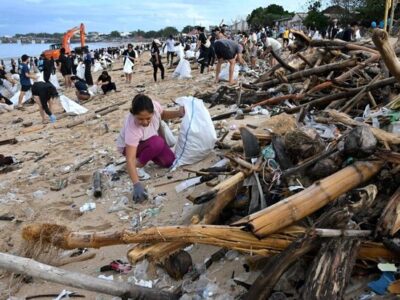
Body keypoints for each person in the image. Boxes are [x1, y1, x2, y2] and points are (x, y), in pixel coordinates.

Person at [116, 94, 185, 202]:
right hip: (130, 147)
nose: (144, 122)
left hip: (149, 140)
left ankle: (148, 154)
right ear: (133, 115)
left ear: (153, 113)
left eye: (148, 118)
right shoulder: (132, 128)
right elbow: (130, 158)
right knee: (157, 142)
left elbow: (163, 114)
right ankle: (139, 163)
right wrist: (136, 184)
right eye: (140, 119)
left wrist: (179, 113)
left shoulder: (155, 107)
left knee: (169, 162)